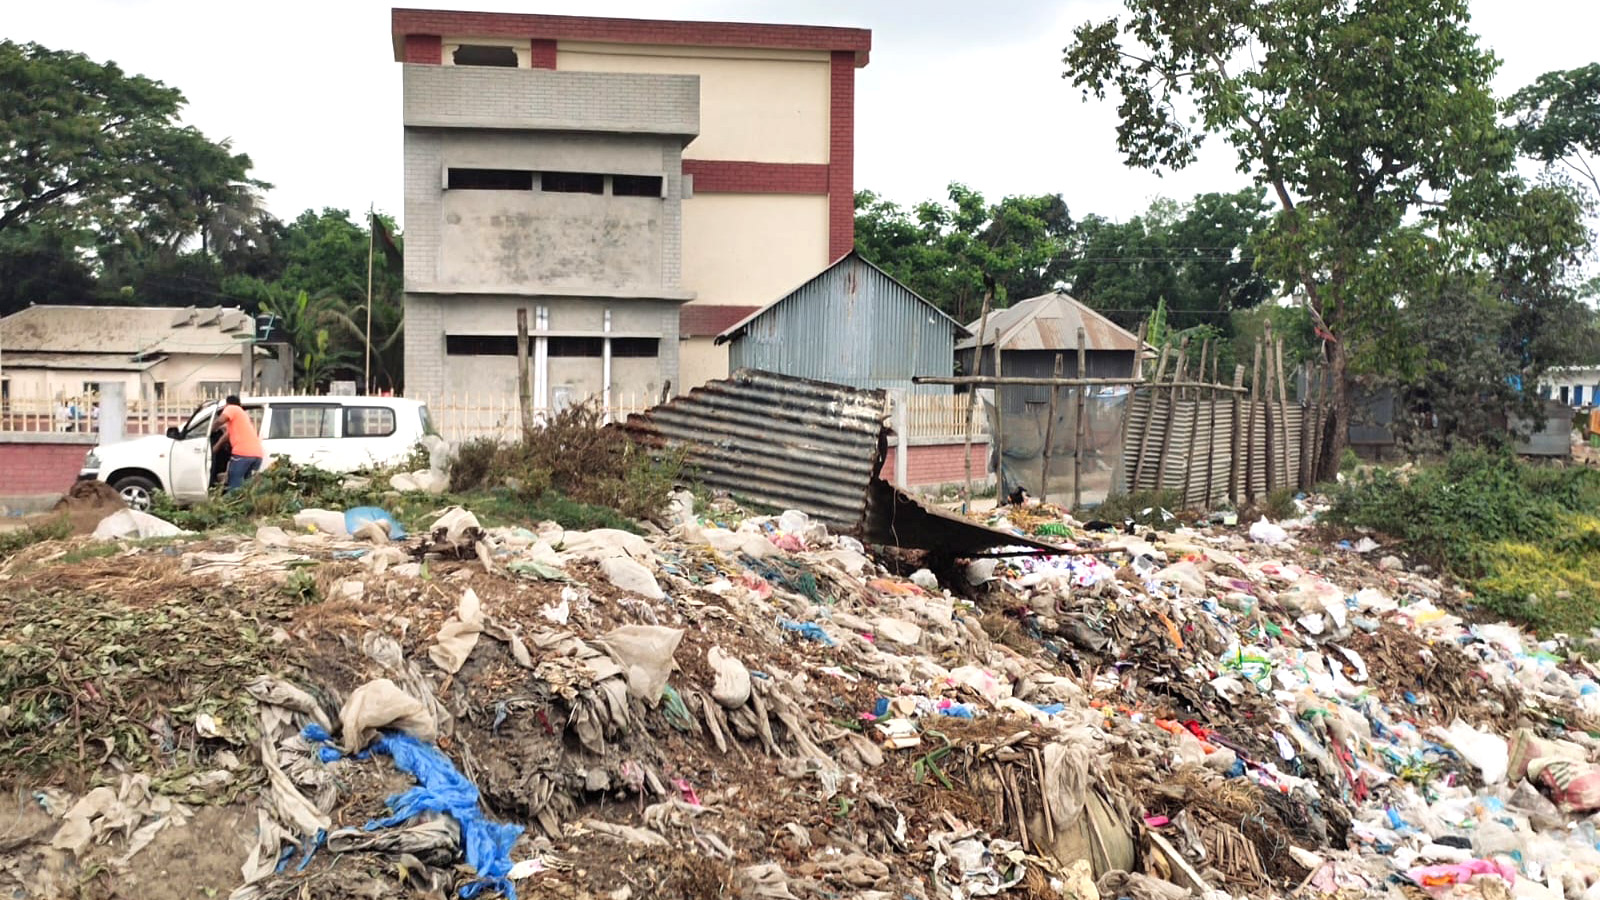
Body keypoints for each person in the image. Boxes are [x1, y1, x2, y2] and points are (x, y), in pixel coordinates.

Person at [213, 396, 264, 492]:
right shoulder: (242, 415)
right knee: (248, 486)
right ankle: (245, 505)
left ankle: (234, 503)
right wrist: (216, 447)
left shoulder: (232, 408)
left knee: (235, 484)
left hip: (242, 455)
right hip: (257, 455)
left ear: (227, 404)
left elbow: (220, 421)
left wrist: (210, 429)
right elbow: (227, 435)